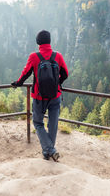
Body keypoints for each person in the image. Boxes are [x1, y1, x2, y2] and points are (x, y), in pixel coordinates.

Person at [12, 30, 68, 161]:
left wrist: (18, 83)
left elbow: (25, 73)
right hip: (55, 96)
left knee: (37, 122)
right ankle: (49, 151)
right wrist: (57, 84)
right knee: (53, 124)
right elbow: (65, 74)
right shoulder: (58, 56)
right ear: (49, 41)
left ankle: (50, 150)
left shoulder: (34, 56)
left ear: (38, 42)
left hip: (39, 97)